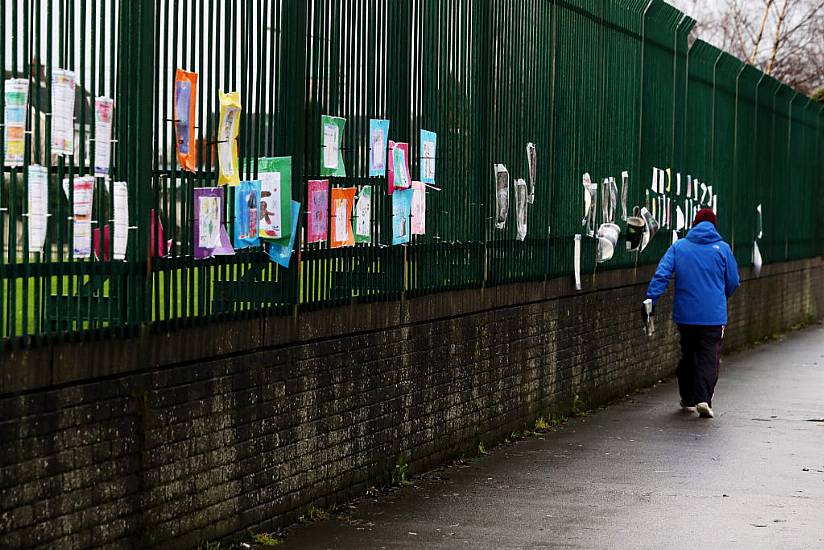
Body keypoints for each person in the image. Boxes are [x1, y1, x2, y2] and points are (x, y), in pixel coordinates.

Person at [644, 208, 740, 418]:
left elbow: (662, 275)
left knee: (689, 354)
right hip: (713, 316)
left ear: (694, 224)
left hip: (686, 316)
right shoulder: (722, 249)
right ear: (714, 225)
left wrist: (651, 299)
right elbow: (733, 281)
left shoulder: (679, 247)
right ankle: (703, 399)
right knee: (708, 356)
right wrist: (721, 296)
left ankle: (688, 397)